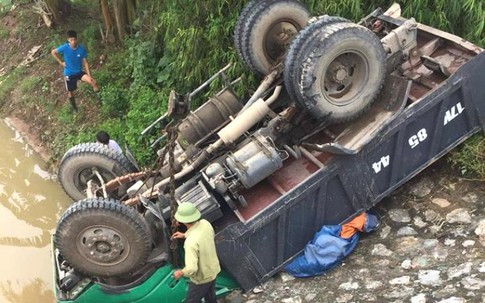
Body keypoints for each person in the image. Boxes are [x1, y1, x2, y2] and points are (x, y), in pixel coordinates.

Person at [172, 203, 221, 303]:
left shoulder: (190, 243)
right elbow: (202, 237)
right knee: (210, 297)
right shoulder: (205, 224)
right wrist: (185, 234)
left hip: (201, 279)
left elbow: (191, 269)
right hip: (213, 270)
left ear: (181, 221)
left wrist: (180, 272)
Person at [51, 30, 99, 112]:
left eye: (74, 39)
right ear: (68, 40)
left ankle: (100, 101)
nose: (73, 42)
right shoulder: (65, 47)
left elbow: (85, 62)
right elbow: (53, 52)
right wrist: (60, 62)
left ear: (76, 39)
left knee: (93, 82)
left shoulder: (81, 49)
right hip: (69, 73)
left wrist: (89, 75)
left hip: (79, 72)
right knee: (70, 91)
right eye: (71, 40)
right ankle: (74, 108)